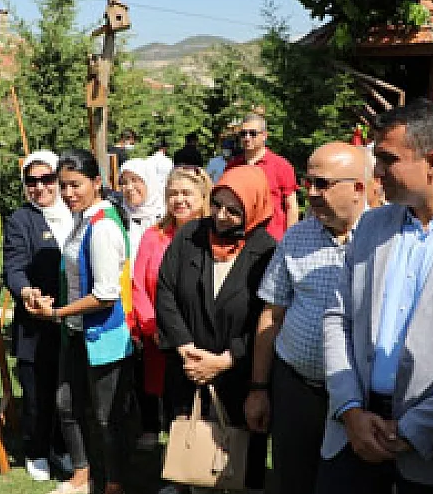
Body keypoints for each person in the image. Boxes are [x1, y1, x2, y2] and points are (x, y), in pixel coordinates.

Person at [318, 100, 433, 494]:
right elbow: (338, 317)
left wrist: (413, 430)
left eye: (387, 159)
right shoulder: (370, 226)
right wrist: (349, 409)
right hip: (354, 434)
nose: (377, 172)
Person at [245, 142, 368, 494]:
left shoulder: (383, 239)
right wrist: (258, 388)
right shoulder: (298, 237)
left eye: (321, 184)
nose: (310, 193)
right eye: (307, 182)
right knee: (291, 479)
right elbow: (272, 313)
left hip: (357, 397)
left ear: (358, 188)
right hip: (296, 388)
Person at [156, 166, 276, 493]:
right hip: (188, 367)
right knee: (191, 448)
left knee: (236, 460)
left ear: (253, 208)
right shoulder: (190, 236)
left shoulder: (268, 251)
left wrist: (226, 360)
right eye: (217, 205)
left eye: (233, 210)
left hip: (238, 374)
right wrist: (185, 348)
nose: (221, 216)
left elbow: (267, 317)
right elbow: (165, 291)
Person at [24, 148, 133, 494]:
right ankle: (83, 473)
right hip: (77, 332)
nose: (68, 193)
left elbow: (105, 294)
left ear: (97, 182)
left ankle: (113, 482)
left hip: (103, 335)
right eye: (64, 185)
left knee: (106, 417)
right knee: (66, 404)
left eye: (76, 185)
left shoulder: (101, 227)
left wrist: (56, 313)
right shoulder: (83, 218)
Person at [130, 165, 212, 453]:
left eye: (186, 193)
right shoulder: (154, 235)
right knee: (171, 403)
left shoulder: (213, 236)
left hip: (201, 339)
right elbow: (138, 283)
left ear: (203, 197)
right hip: (160, 337)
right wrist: (152, 326)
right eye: (173, 193)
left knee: (201, 408)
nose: (179, 200)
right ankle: (177, 470)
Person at [3, 150, 73, 481]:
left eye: (47, 179)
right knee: (37, 395)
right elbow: (14, 267)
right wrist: (26, 291)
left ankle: (64, 447)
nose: (40, 188)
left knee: (69, 391)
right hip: (37, 322)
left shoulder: (77, 212)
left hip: (75, 319)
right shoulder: (21, 220)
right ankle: (36, 450)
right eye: (32, 182)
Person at [227, 113, 299, 241]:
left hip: (272, 239)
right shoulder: (232, 167)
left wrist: (290, 240)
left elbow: (291, 206)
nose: (247, 138)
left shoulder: (281, 165)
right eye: (243, 134)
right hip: (240, 238)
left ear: (264, 136)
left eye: (253, 133)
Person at [119, 157, 166, 260]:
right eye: (124, 182)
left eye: (135, 180)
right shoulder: (119, 216)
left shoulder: (166, 216)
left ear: (149, 181)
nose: (129, 187)